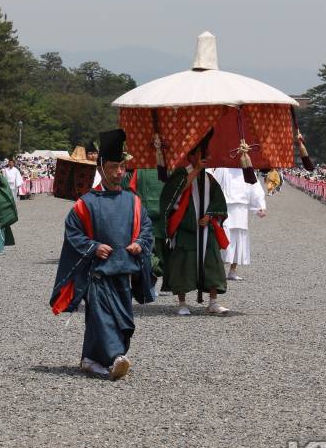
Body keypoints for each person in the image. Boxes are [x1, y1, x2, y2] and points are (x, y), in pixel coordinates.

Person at [49, 128, 154, 380]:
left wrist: (140, 242)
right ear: (101, 168)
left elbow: (147, 228)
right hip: (97, 272)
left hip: (124, 271)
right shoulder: (86, 203)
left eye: (122, 167)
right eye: (114, 167)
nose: (120, 172)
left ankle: (90, 359)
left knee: (120, 319)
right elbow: (73, 232)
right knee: (103, 316)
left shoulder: (133, 201)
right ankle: (116, 357)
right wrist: (94, 246)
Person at [160, 130, 230, 316]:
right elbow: (174, 195)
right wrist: (196, 169)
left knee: (213, 264)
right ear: (190, 156)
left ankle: (213, 301)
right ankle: (182, 303)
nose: (203, 158)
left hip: (206, 229)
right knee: (182, 266)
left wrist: (210, 215)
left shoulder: (210, 179)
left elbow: (219, 202)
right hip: (185, 229)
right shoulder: (181, 174)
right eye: (199, 154)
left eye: (204, 154)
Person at [210, 166, 267, 281]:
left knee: (238, 239)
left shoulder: (247, 170)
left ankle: (233, 270)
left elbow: (255, 187)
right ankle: (217, 269)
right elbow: (214, 186)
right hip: (225, 207)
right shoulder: (223, 168)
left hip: (241, 208)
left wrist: (260, 206)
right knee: (222, 236)